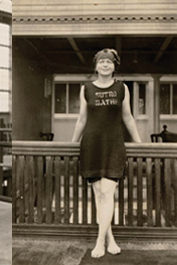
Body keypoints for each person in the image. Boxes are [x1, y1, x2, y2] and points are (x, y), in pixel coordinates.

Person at [70, 48, 141, 258]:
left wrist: (138, 143)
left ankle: (99, 241)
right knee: (99, 195)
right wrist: (73, 143)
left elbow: (128, 118)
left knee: (107, 193)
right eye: (101, 61)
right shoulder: (86, 89)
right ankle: (111, 239)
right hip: (91, 145)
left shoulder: (122, 89)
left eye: (109, 62)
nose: (105, 65)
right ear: (96, 65)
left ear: (114, 66)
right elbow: (82, 119)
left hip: (114, 145)